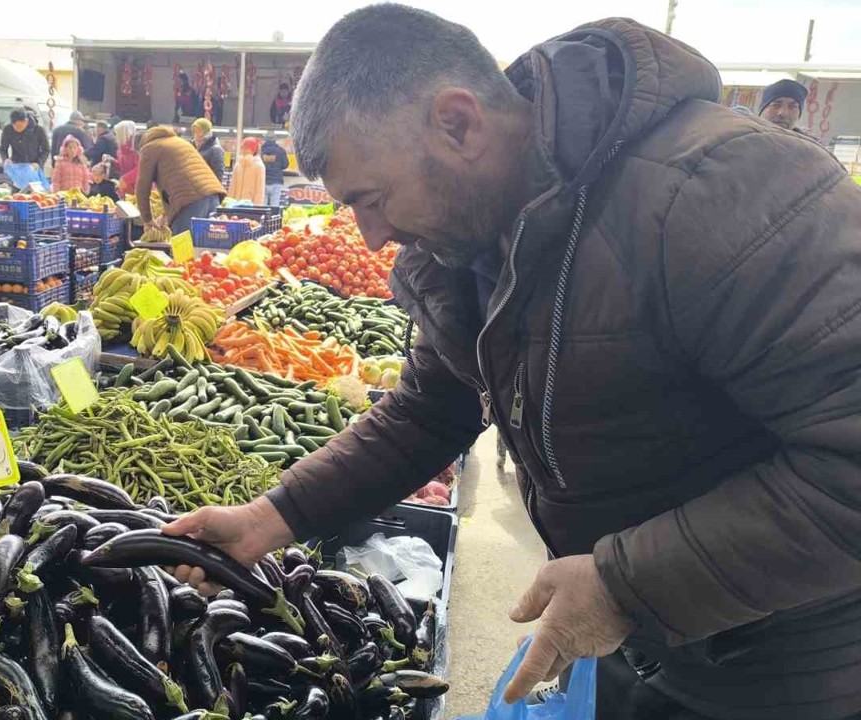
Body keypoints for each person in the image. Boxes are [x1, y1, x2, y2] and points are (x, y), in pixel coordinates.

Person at [160, 6, 861, 720]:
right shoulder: (472, 239)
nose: (371, 238)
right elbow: (431, 408)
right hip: (650, 633)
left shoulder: (726, 189)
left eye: (372, 199)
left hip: (792, 663)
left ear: (458, 123)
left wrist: (626, 587)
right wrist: (273, 516)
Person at [136, 125, 225, 235]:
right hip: (213, 196)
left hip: (191, 201)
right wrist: (166, 215)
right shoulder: (180, 142)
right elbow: (179, 179)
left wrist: (147, 219)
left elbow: (142, 187)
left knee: (182, 243)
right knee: (204, 243)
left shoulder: (149, 149)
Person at [228, 136, 265, 204]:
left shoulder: (258, 166)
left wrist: (256, 207)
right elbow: (232, 187)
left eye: (246, 147)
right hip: (238, 205)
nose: (243, 150)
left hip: (246, 206)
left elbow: (259, 191)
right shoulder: (238, 165)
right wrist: (228, 203)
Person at [259, 131, 289, 206]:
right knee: (275, 205)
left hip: (263, 181)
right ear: (275, 139)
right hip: (276, 181)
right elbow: (285, 165)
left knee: (262, 204)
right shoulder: (280, 151)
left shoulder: (260, 151)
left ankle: (263, 214)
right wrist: (277, 166)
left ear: (265, 139)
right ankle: (274, 214)